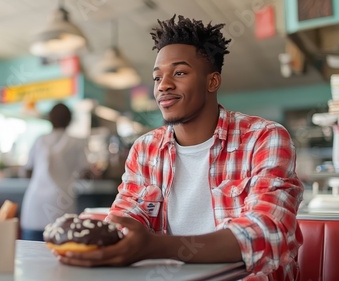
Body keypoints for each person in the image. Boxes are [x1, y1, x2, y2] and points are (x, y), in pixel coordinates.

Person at [55, 15, 304, 280]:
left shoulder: (264, 138)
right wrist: (113, 236)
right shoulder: (145, 149)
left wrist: (153, 247)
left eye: (180, 72)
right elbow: (126, 215)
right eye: (157, 77)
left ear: (212, 82)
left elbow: (268, 232)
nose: (163, 85)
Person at [20, 102, 89, 241]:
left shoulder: (40, 140)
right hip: (61, 205)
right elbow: (85, 173)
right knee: (59, 255)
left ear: (50, 119)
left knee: (31, 254)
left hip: (36, 204)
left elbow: (27, 171)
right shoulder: (77, 143)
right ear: (70, 120)